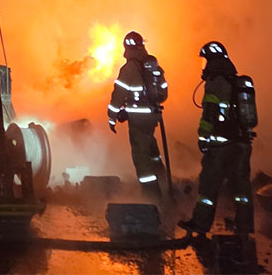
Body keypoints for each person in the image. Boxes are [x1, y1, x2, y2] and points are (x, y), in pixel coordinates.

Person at [179, 41, 254, 236]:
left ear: (211, 60)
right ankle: (245, 226)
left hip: (222, 145)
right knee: (241, 188)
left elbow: (210, 113)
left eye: (205, 60)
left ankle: (200, 224)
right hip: (242, 143)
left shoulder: (215, 81)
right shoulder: (235, 81)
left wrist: (203, 137)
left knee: (208, 186)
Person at [105, 31, 169, 192]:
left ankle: (152, 195)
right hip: (154, 117)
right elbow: (164, 93)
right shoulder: (153, 66)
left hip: (138, 119)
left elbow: (118, 95)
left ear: (126, 47)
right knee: (152, 150)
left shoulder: (129, 68)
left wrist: (112, 117)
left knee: (141, 156)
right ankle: (165, 183)